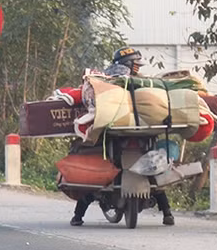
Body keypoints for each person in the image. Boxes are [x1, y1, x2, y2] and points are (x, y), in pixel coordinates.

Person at [70, 46, 175, 227]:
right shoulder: (128, 79)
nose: (137, 68)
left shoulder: (103, 78)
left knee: (98, 169)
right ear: (128, 63)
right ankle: (167, 213)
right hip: (142, 127)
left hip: (113, 128)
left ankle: (78, 215)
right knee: (153, 169)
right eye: (135, 64)